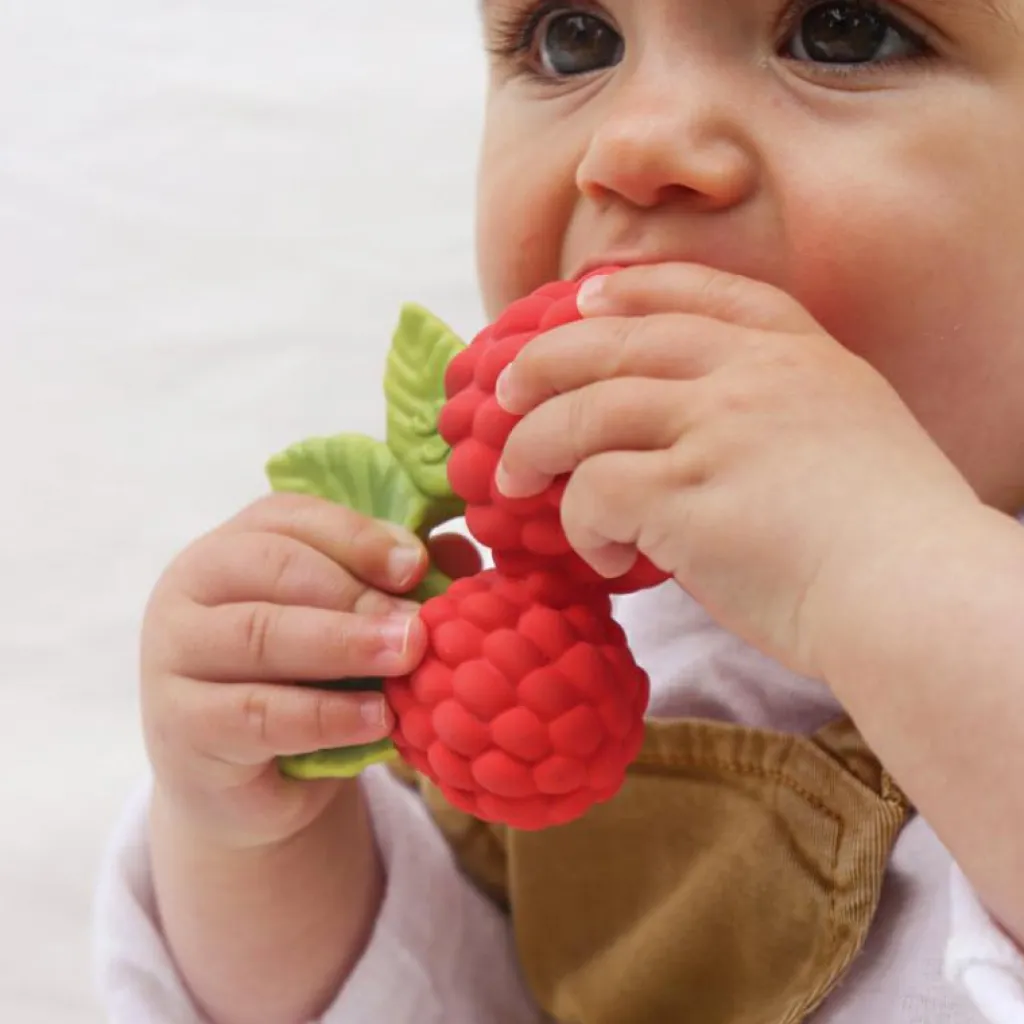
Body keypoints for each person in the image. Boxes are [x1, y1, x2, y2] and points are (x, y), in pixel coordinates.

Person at [95, 2, 1024, 1021]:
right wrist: (256, 840)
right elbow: (447, 996)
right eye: (571, 39)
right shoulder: (539, 630)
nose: (633, 145)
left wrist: (882, 564)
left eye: (843, 33)